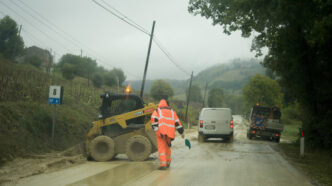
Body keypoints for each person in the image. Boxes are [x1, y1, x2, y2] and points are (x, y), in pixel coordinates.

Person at [151, 99, 184, 170]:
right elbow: (178, 123)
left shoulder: (157, 111)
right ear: (167, 105)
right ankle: (168, 162)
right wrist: (181, 132)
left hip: (161, 132)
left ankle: (163, 164)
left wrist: (156, 130)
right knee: (167, 147)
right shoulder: (172, 112)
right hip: (170, 133)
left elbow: (153, 121)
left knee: (161, 147)